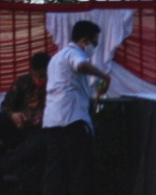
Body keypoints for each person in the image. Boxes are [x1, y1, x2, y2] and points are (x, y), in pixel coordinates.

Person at [42, 20, 110, 195]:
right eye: (94, 42)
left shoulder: (55, 58)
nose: (95, 47)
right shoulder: (73, 53)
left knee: (55, 173)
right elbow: (81, 65)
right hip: (72, 122)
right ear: (84, 41)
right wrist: (104, 76)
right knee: (81, 172)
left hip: (52, 122)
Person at [0, 51, 51, 187]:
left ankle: (1, 167)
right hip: (19, 128)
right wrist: (13, 115)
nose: (38, 80)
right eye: (35, 76)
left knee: (39, 142)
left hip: (40, 133)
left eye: (42, 77)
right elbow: (6, 105)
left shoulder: (56, 86)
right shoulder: (24, 82)